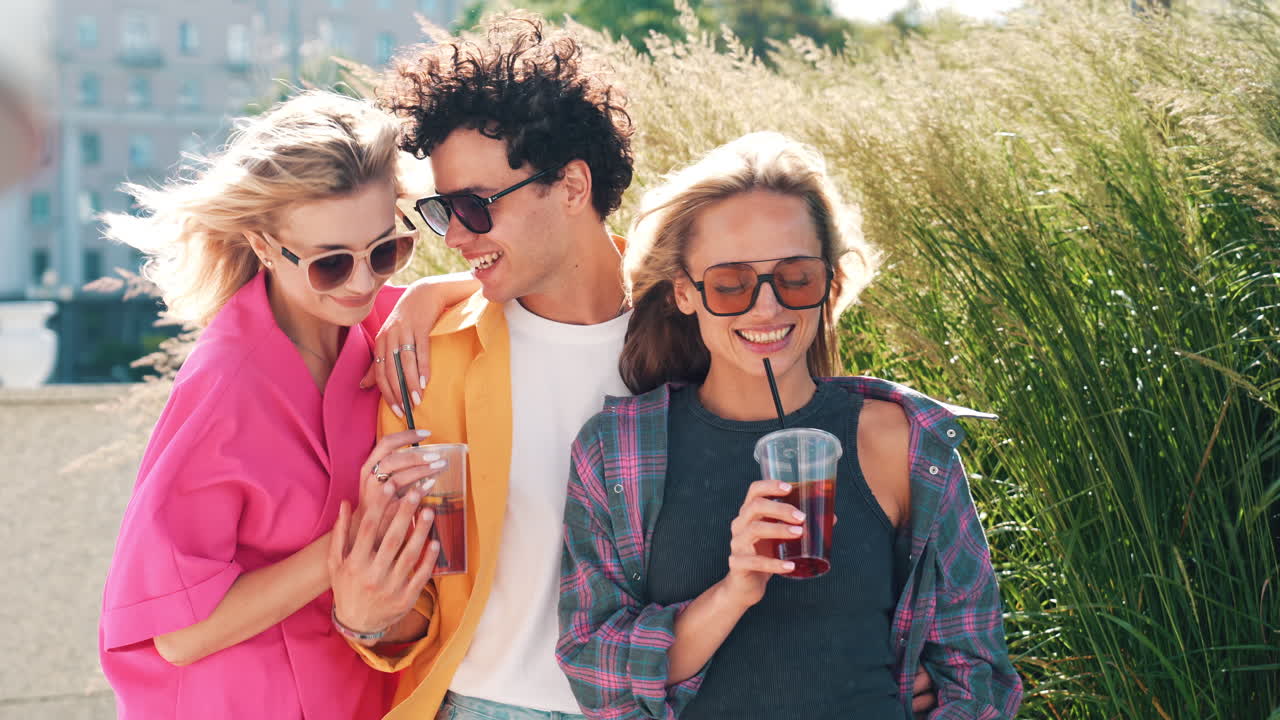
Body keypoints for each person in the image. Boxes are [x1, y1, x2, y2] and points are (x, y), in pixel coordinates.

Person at [346, 13, 937, 720]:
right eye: (445, 211)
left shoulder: (711, 319)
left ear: (570, 186)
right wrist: (370, 620)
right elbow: (419, 608)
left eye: (477, 206)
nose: (460, 237)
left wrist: (890, 660)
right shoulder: (427, 358)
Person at [557, 132, 1024, 718]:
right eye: (731, 284)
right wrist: (735, 591)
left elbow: (977, 674)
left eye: (796, 277)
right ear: (684, 292)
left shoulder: (901, 442)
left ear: (828, 282)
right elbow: (594, 671)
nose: (767, 308)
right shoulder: (616, 452)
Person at [98, 91, 455, 719]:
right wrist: (351, 536)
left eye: (386, 251)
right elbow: (177, 637)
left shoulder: (379, 322)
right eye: (331, 264)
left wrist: (426, 292)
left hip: (353, 690)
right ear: (264, 246)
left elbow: (517, 283)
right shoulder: (224, 387)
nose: (364, 281)